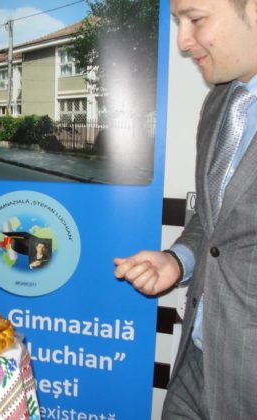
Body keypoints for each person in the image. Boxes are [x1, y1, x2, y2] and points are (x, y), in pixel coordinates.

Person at [114, 0, 257, 418]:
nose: (182, 41)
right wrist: (178, 261)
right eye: (178, 22)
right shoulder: (221, 102)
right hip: (196, 361)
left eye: (195, 19)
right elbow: (218, 222)